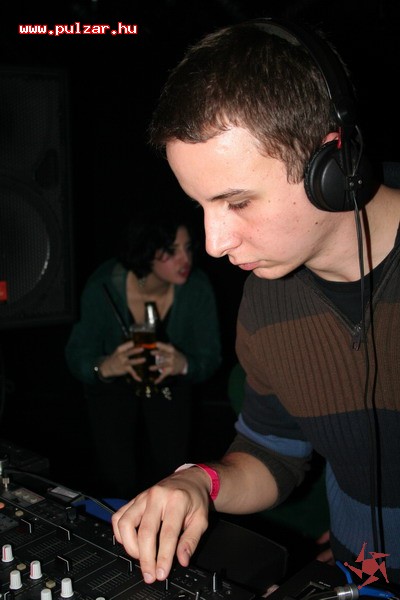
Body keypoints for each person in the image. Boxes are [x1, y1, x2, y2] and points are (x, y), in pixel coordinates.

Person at [111, 18, 400, 585]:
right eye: (201, 206)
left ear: (333, 166)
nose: (214, 244)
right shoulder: (266, 301)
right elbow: (275, 454)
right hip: (361, 575)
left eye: (238, 202)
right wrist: (200, 482)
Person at [65, 209, 221, 498]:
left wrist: (185, 365)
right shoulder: (104, 284)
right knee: (115, 476)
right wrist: (103, 367)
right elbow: (76, 354)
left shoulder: (196, 288)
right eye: (171, 251)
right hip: (114, 388)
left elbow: (211, 357)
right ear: (146, 251)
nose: (185, 259)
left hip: (169, 385)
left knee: (173, 472)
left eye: (188, 248)